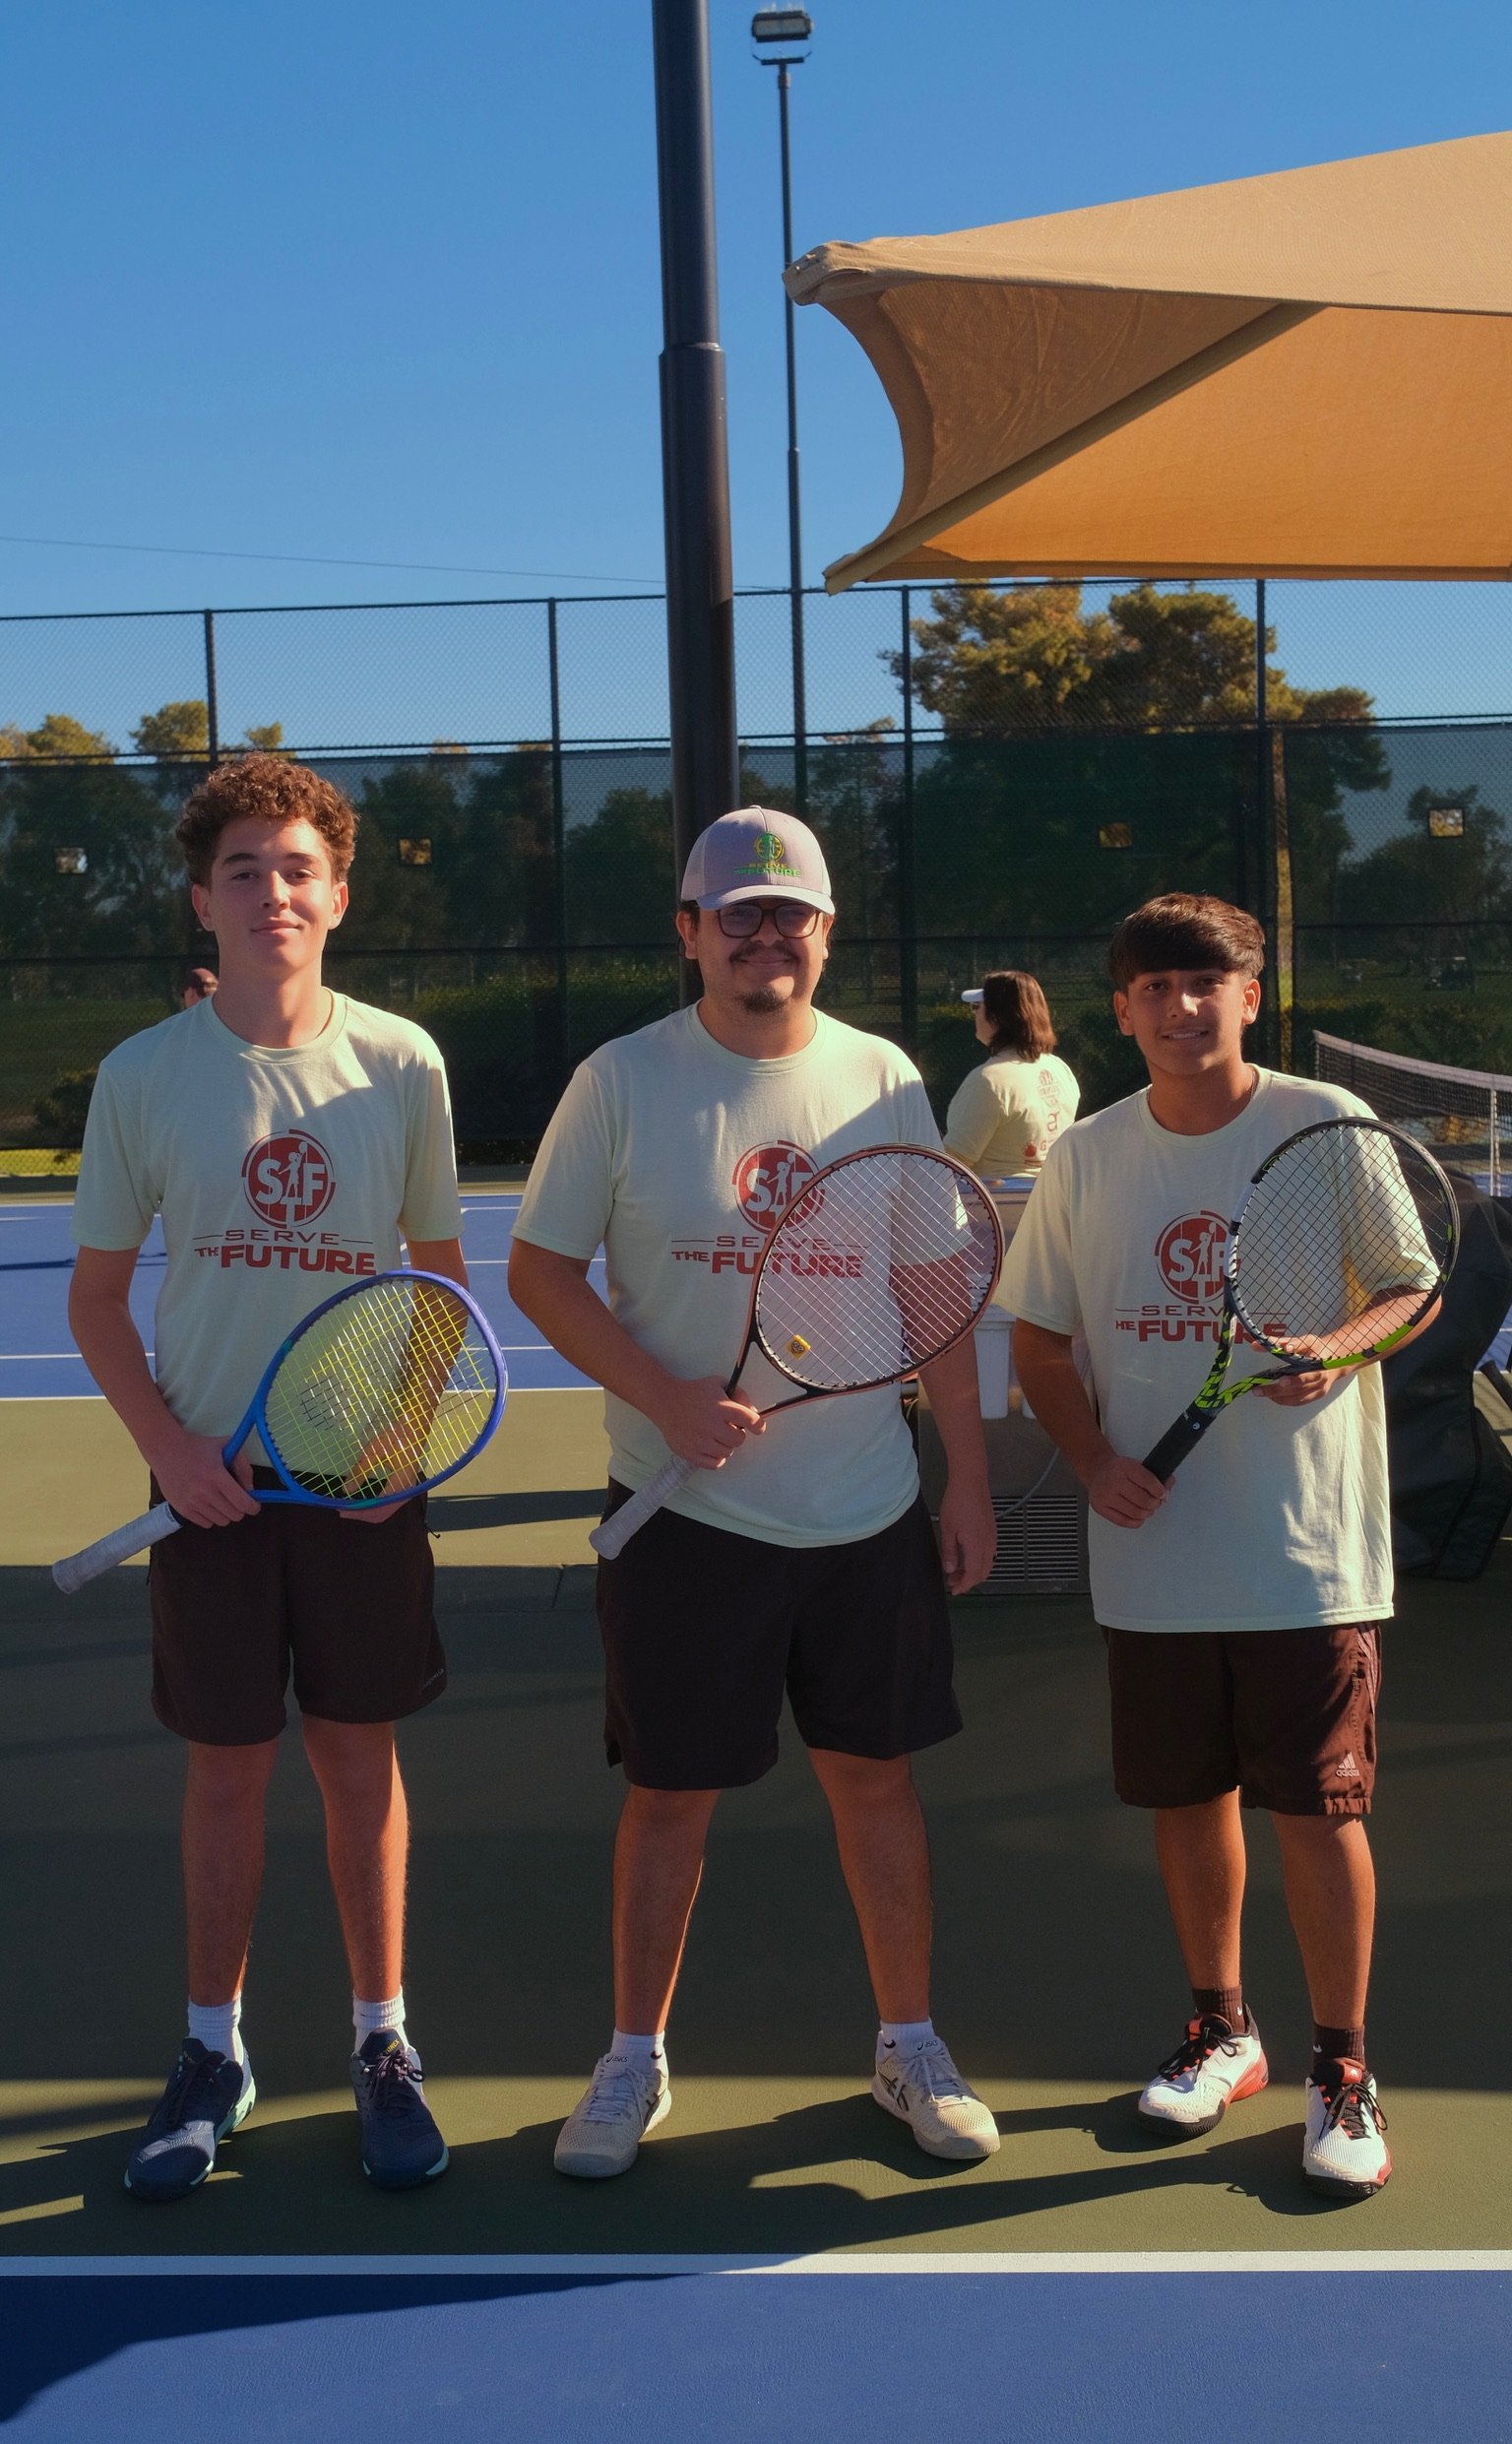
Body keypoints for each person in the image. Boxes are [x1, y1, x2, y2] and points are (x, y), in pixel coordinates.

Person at [509, 806, 1000, 2180]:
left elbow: (931, 1291)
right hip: (686, 1521)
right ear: (691, 933)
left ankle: (908, 2042)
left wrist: (961, 1470)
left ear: (825, 933)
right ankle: (631, 2058)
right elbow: (541, 1272)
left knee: (876, 1781)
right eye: (739, 912)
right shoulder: (618, 1080)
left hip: (864, 1511)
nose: (765, 933)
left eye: (791, 913)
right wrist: (666, 1398)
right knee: (669, 1795)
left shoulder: (887, 1079)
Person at [69, 755, 466, 2200]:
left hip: (359, 1488)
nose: (274, 891)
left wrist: (396, 1445)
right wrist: (172, 1452)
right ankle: (211, 2049)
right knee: (226, 1766)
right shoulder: (144, 1075)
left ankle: (382, 2041)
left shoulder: (402, 1061)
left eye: (298, 868)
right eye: (245, 869)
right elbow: (99, 1300)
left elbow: (438, 1277)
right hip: (212, 1498)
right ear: (202, 898)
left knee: (359, 1759)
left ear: (339, 897)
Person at [997, 893, 1433, 2202]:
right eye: (1154, 986)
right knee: (1188, 1804)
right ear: (1121, 1009)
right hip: (1155, 1558)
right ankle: (1223, 2029)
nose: (1182, 1005)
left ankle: (1342, 2067)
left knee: (1319, 1809)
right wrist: (1090, 1464)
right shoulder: (1084, 1154)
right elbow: (1038, 1337)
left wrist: (1337, 1346)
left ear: (1252, 995)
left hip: (1307, 1553)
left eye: (1208, 982)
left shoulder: (1322, 1129)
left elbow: (1409, 1286)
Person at [942, 971, 1079, 1180]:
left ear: (996, 1017)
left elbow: (948, 1165)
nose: (974, 1014)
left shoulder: (988, 1081)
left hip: (995, 1207)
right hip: (1053, 1200)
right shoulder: (1059, 1068)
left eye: (977, 1007)